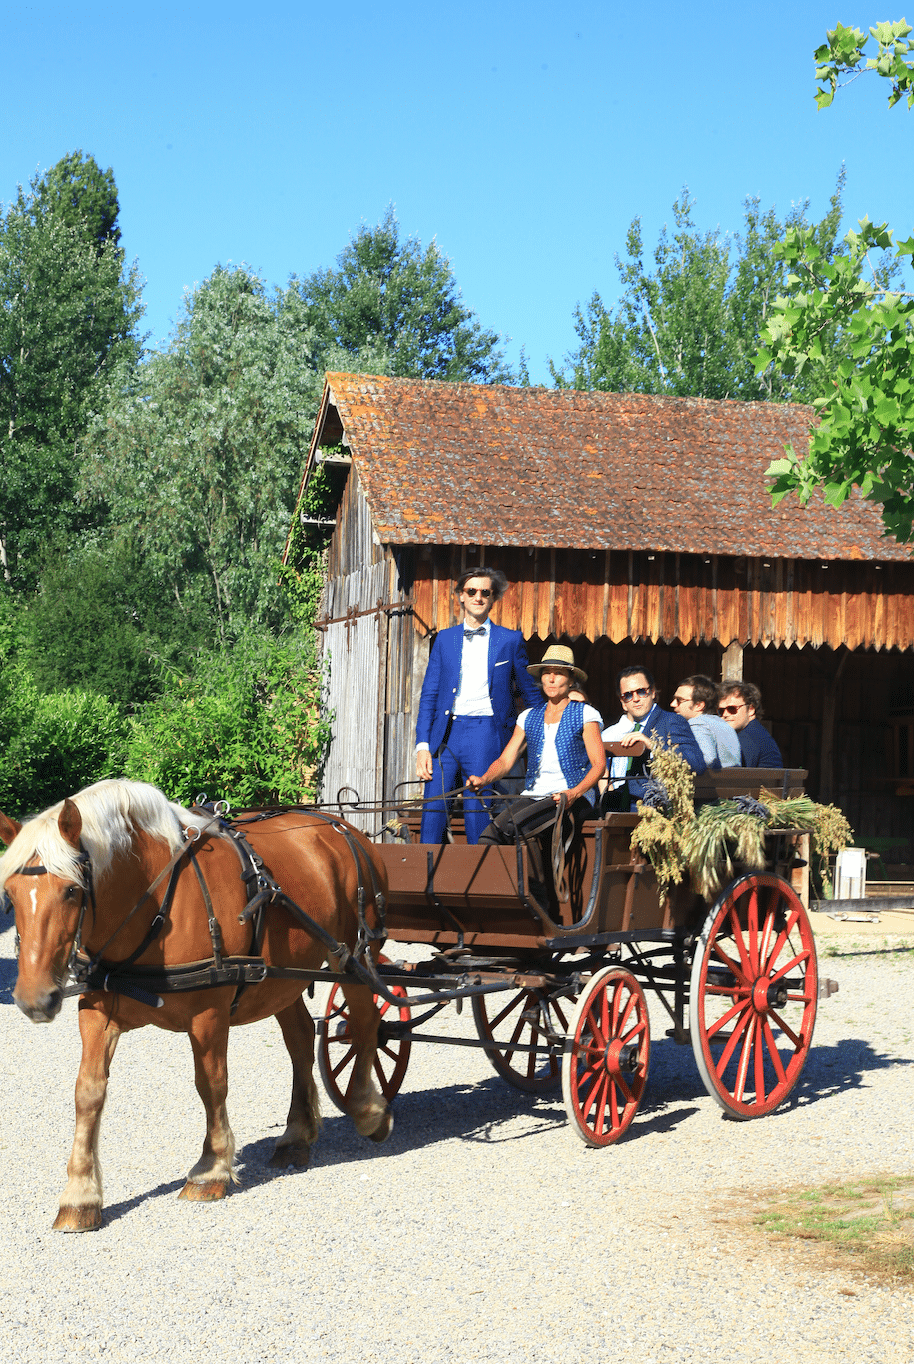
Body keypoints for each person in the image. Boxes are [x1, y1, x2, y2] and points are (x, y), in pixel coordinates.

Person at [466, 645, 605, 909]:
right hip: (534, 795)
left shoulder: (586, 714)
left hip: (571, 799)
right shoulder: (529, 716)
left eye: (559, 673)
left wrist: (574, 792)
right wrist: (483, 778)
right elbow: (506, 760)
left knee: (516, 829)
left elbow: (598, 765)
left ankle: (543, 909)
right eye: (547, 673)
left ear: (571, 679)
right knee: (490, 835)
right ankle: (510, 901)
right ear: (540, 678)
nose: (552, 679)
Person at [415, 566, 542, 843]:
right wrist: (422, 745)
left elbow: (528, 690)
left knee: (478, 811)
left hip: (486, 732)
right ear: (461, 596)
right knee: (434, 808)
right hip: (446, 734)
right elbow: (430, 695)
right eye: (472, 591)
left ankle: (480, 879)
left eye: (485, 592)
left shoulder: (510, 640)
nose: (478, 597)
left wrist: (549, 720)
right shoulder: (445, 640)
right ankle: (425, 882)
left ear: (493, 598)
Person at [601, 666, 706, 811]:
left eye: (641, 691)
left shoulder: (672, 721)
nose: (636, 699)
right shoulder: (616, 732)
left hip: (658, 809)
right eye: (628, 695)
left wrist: (653, 746)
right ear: (623, 702)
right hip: (619, 805)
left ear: (652, 692)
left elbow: (696, 764)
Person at [670, 674, 742, 770]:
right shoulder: (722, 723)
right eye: (674, 699)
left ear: (698, 705)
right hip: (731, 782)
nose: (673, 704)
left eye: (679, 700)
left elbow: (707, 759)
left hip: (711, 783)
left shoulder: (697, 724)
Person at [717, 681, 783, 767]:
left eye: (732, 709)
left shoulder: (748, 738)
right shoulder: (757, 733)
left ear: (751, 709)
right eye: (720, 711)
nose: (725, 714)